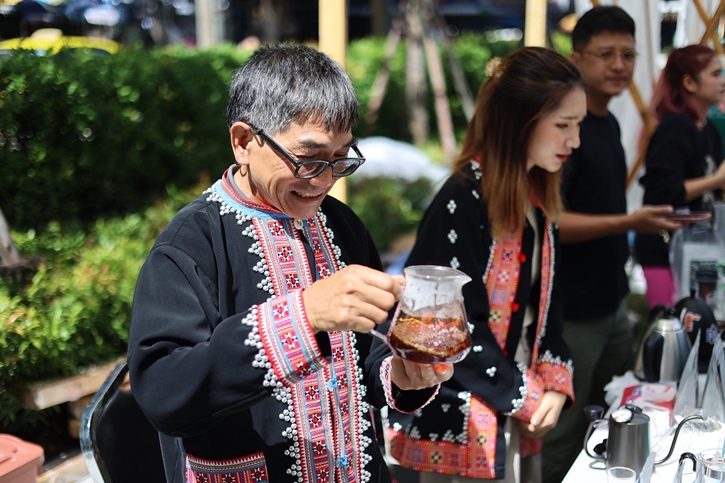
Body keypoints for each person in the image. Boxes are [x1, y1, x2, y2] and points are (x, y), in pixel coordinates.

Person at [126, 44, 453, 483]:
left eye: (341, 159)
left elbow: (368, 347)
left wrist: (399, 374)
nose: (324, 181)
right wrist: (302, 316)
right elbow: (165, 392)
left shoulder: (340, 224)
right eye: (308, 159)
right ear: (244, 142)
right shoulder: (190, 246)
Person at [386, 46, 584, 482]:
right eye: (563, 125)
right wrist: (530, 397)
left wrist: (553, 384)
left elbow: (549, 311)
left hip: (513, 411)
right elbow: (448, 331)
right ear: (519, 122)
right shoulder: (461, 199)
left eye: (578, 125)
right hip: (462, 422)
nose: (575, 141)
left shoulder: (539, 199)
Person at [540, 7, 681, 483]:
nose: (619, 65)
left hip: (613, 301)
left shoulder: (610, 124)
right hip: (571, 311)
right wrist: (629, 221)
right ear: (577, 58)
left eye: (628, 55)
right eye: (606, 55)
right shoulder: (564, 133)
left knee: (618, 416)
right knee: (561, 434)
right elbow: (550, 221)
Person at [634, 44, 725, 308]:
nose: (722, 81)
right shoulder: (675, 127)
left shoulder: (708, 129)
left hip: (696, 248)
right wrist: (716, 181)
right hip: (663, 250)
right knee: (671, 329)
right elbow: (662, 192)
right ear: (689, 83)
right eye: (716, 74)